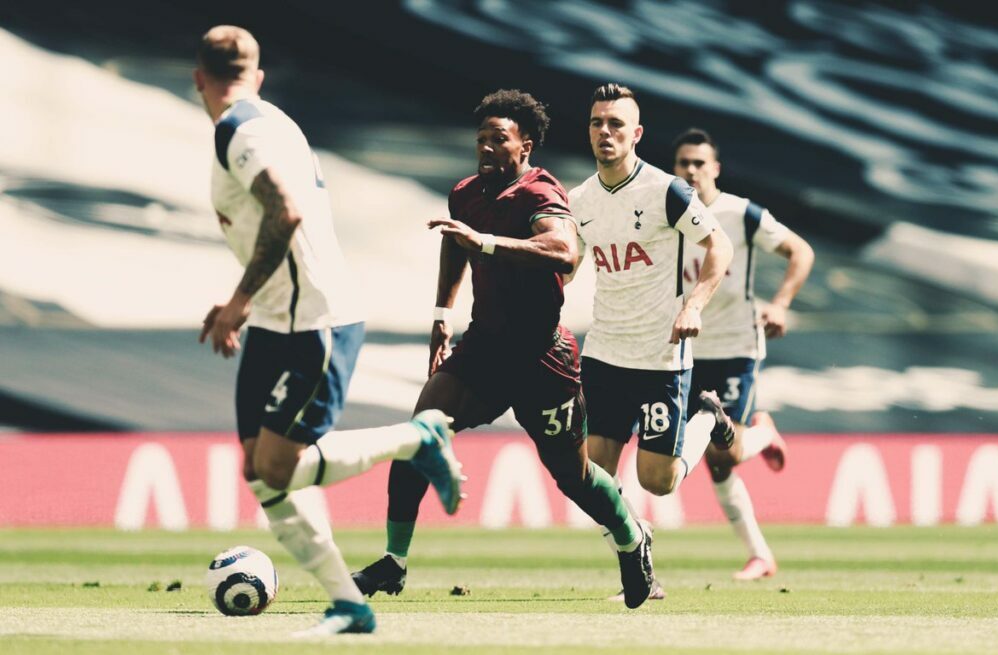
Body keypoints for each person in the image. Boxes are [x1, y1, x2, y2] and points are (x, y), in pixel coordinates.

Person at [194, 25, 464, 636]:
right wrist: (250, 303)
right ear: (258, 76)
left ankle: (417, 438)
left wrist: (238, 300)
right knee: (259, 470)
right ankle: (349, 604)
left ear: (198, 78)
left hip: (314, 319)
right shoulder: (275, 122)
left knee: (278, 466)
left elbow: (286, 211)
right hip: (278, 317)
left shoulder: (241, 130)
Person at [352, 89, 657, 609]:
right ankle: (393, 562)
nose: (487, 148)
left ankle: (632, 541)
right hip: (484, 350)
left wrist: (487, 243)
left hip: (542, 358)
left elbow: (564, 251)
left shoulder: (540, 192)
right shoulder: (466, 193)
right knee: (416, 438)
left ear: (525, 146)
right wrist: (442, 314)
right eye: (481, 139)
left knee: (574, 477)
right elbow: (456, 240)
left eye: (499, 139)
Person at [567, 84, 736, 601]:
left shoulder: (666, 191)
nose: (605, 132)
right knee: (590, 478)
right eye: (597, 123)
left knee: (658, 481)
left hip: (661, 357)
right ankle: (637, 550)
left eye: (616, 124)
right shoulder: (579, 200)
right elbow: (567, 269)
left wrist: (693, 306)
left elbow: (719, 246)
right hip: (604, 353)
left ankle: (707, 417)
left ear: (636, 134)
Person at [673, 127, 815, 580]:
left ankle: (764, 434)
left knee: (725, 453)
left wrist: (781, 303)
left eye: (699, 163)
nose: (691, 170)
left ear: (715, 168)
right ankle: (761, 556)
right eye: (683, 163)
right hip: (686, 350)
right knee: (717, 463)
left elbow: (801, 251)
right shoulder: (665, 213)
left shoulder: (742, 214)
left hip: (736, 348)